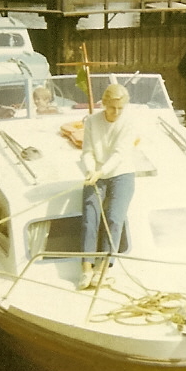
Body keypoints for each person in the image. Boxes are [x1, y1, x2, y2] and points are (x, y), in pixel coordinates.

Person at [79, 83, 138, 290]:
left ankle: (102, 269)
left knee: (114, 217)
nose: (116, 112)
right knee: (90, 216)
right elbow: (87, 151)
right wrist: (90, 170)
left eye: (121, 108)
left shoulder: (128, 124)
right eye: (112, 107)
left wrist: (101, 172)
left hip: (121, 174)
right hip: (95, 174)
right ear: (104, 104)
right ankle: (86, 268)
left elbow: (120, 154)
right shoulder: (92, 122)